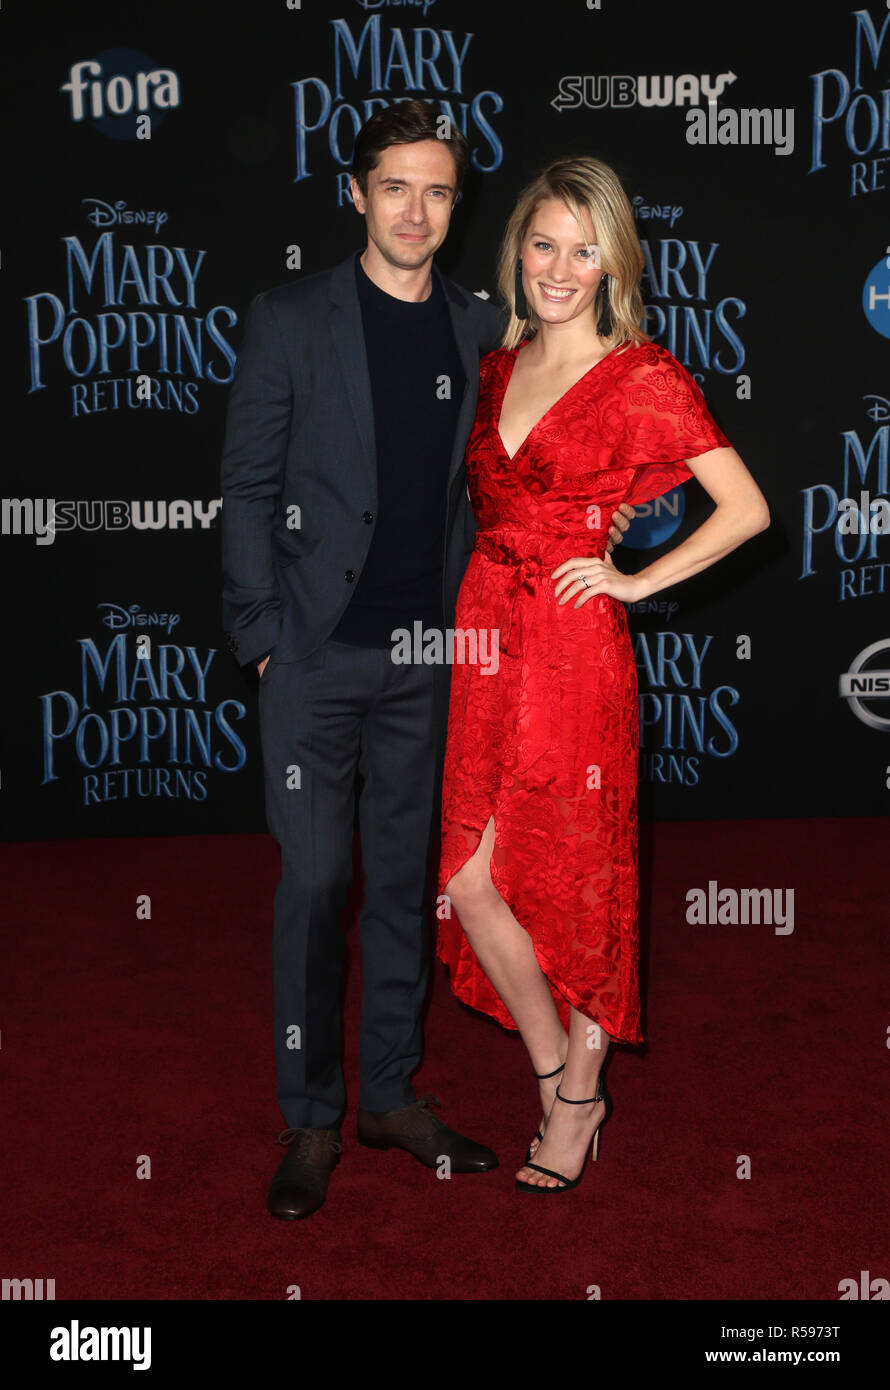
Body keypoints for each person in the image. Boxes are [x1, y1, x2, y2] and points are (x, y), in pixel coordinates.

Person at [220, 104, 637, 1219]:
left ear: (458, 209)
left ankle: (392, 1095)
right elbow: (247, 492)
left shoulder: (480, 332)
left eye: (438, 191)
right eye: (394, 186)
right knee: (314, 889)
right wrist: (261, 640)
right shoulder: (289, 317)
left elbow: (543, 462)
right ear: (356, 192)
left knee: (411, 890)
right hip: (309, 658)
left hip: (435, 661)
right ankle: (312, 1116)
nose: (415, 209)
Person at [437, 155, 770, 1194]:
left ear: (612, 263)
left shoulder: (640, 377)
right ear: (516, 251)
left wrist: (632, 578)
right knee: (466, 879)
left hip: (574, 649)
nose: (559, 268)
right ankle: (556, 1071)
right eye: (543, 244)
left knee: (581, 881)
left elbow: (745, 507)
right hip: (484, 632)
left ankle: (580, 1090)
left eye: (585, 250)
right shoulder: (495, 365)